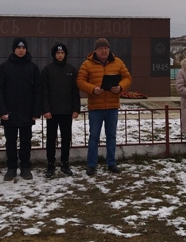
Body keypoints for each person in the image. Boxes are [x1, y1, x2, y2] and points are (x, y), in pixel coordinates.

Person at [77, 38, 132, 176]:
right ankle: (91, 165)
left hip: (112, 106)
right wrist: (92, 89)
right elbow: (80, 81)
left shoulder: (118, 62)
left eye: (106, 48)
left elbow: (127, 78)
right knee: (94, 137)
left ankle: (112, 163)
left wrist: (120, 87)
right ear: (95, 50)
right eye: (101, 48)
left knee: (111, 136)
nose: (104, 50)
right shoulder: (87, 64)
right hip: (96, 107)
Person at [0, 37, 42, 181]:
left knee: (26, 141)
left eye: (23, 48)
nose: (21, 50)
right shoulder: (4, 67)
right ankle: (11, 168)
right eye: (18, 48)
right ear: (14, 49)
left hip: (27, 113)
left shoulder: (33, 67)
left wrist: (35, 111)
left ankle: (25, 167)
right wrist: (2, 110)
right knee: (10, 142)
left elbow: (38, 90)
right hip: (9, 113)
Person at [41, 42, 81, 178]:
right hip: (52, 113)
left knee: (66, 139)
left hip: (67, 112)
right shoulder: (47, 70)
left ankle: (65, 163)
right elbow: (44, 92)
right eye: (58, 53)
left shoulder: (72, 70)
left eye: (62, 53)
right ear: (54, 54)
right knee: (51, 139)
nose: (60, 55)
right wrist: (45, 109)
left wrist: (76, 109)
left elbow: (75, 92)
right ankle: (50, 164)